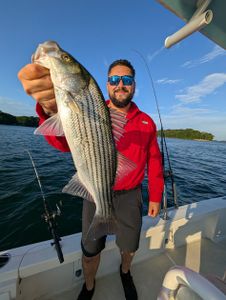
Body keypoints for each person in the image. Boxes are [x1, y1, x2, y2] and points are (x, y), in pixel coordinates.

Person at [18, 59, 164, 300]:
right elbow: (63, 143)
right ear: (106, 84)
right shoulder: (90, 108)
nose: (120, 84)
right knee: (90, 251)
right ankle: (88, 286)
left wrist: (156, 196)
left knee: (129, 248)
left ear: (134, 85)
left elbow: (155, 161)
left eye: (126, 80)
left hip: (131, 195)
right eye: (114, 79)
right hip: (94, 190)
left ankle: (125, 272)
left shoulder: (147, 121)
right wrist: (48, 108)